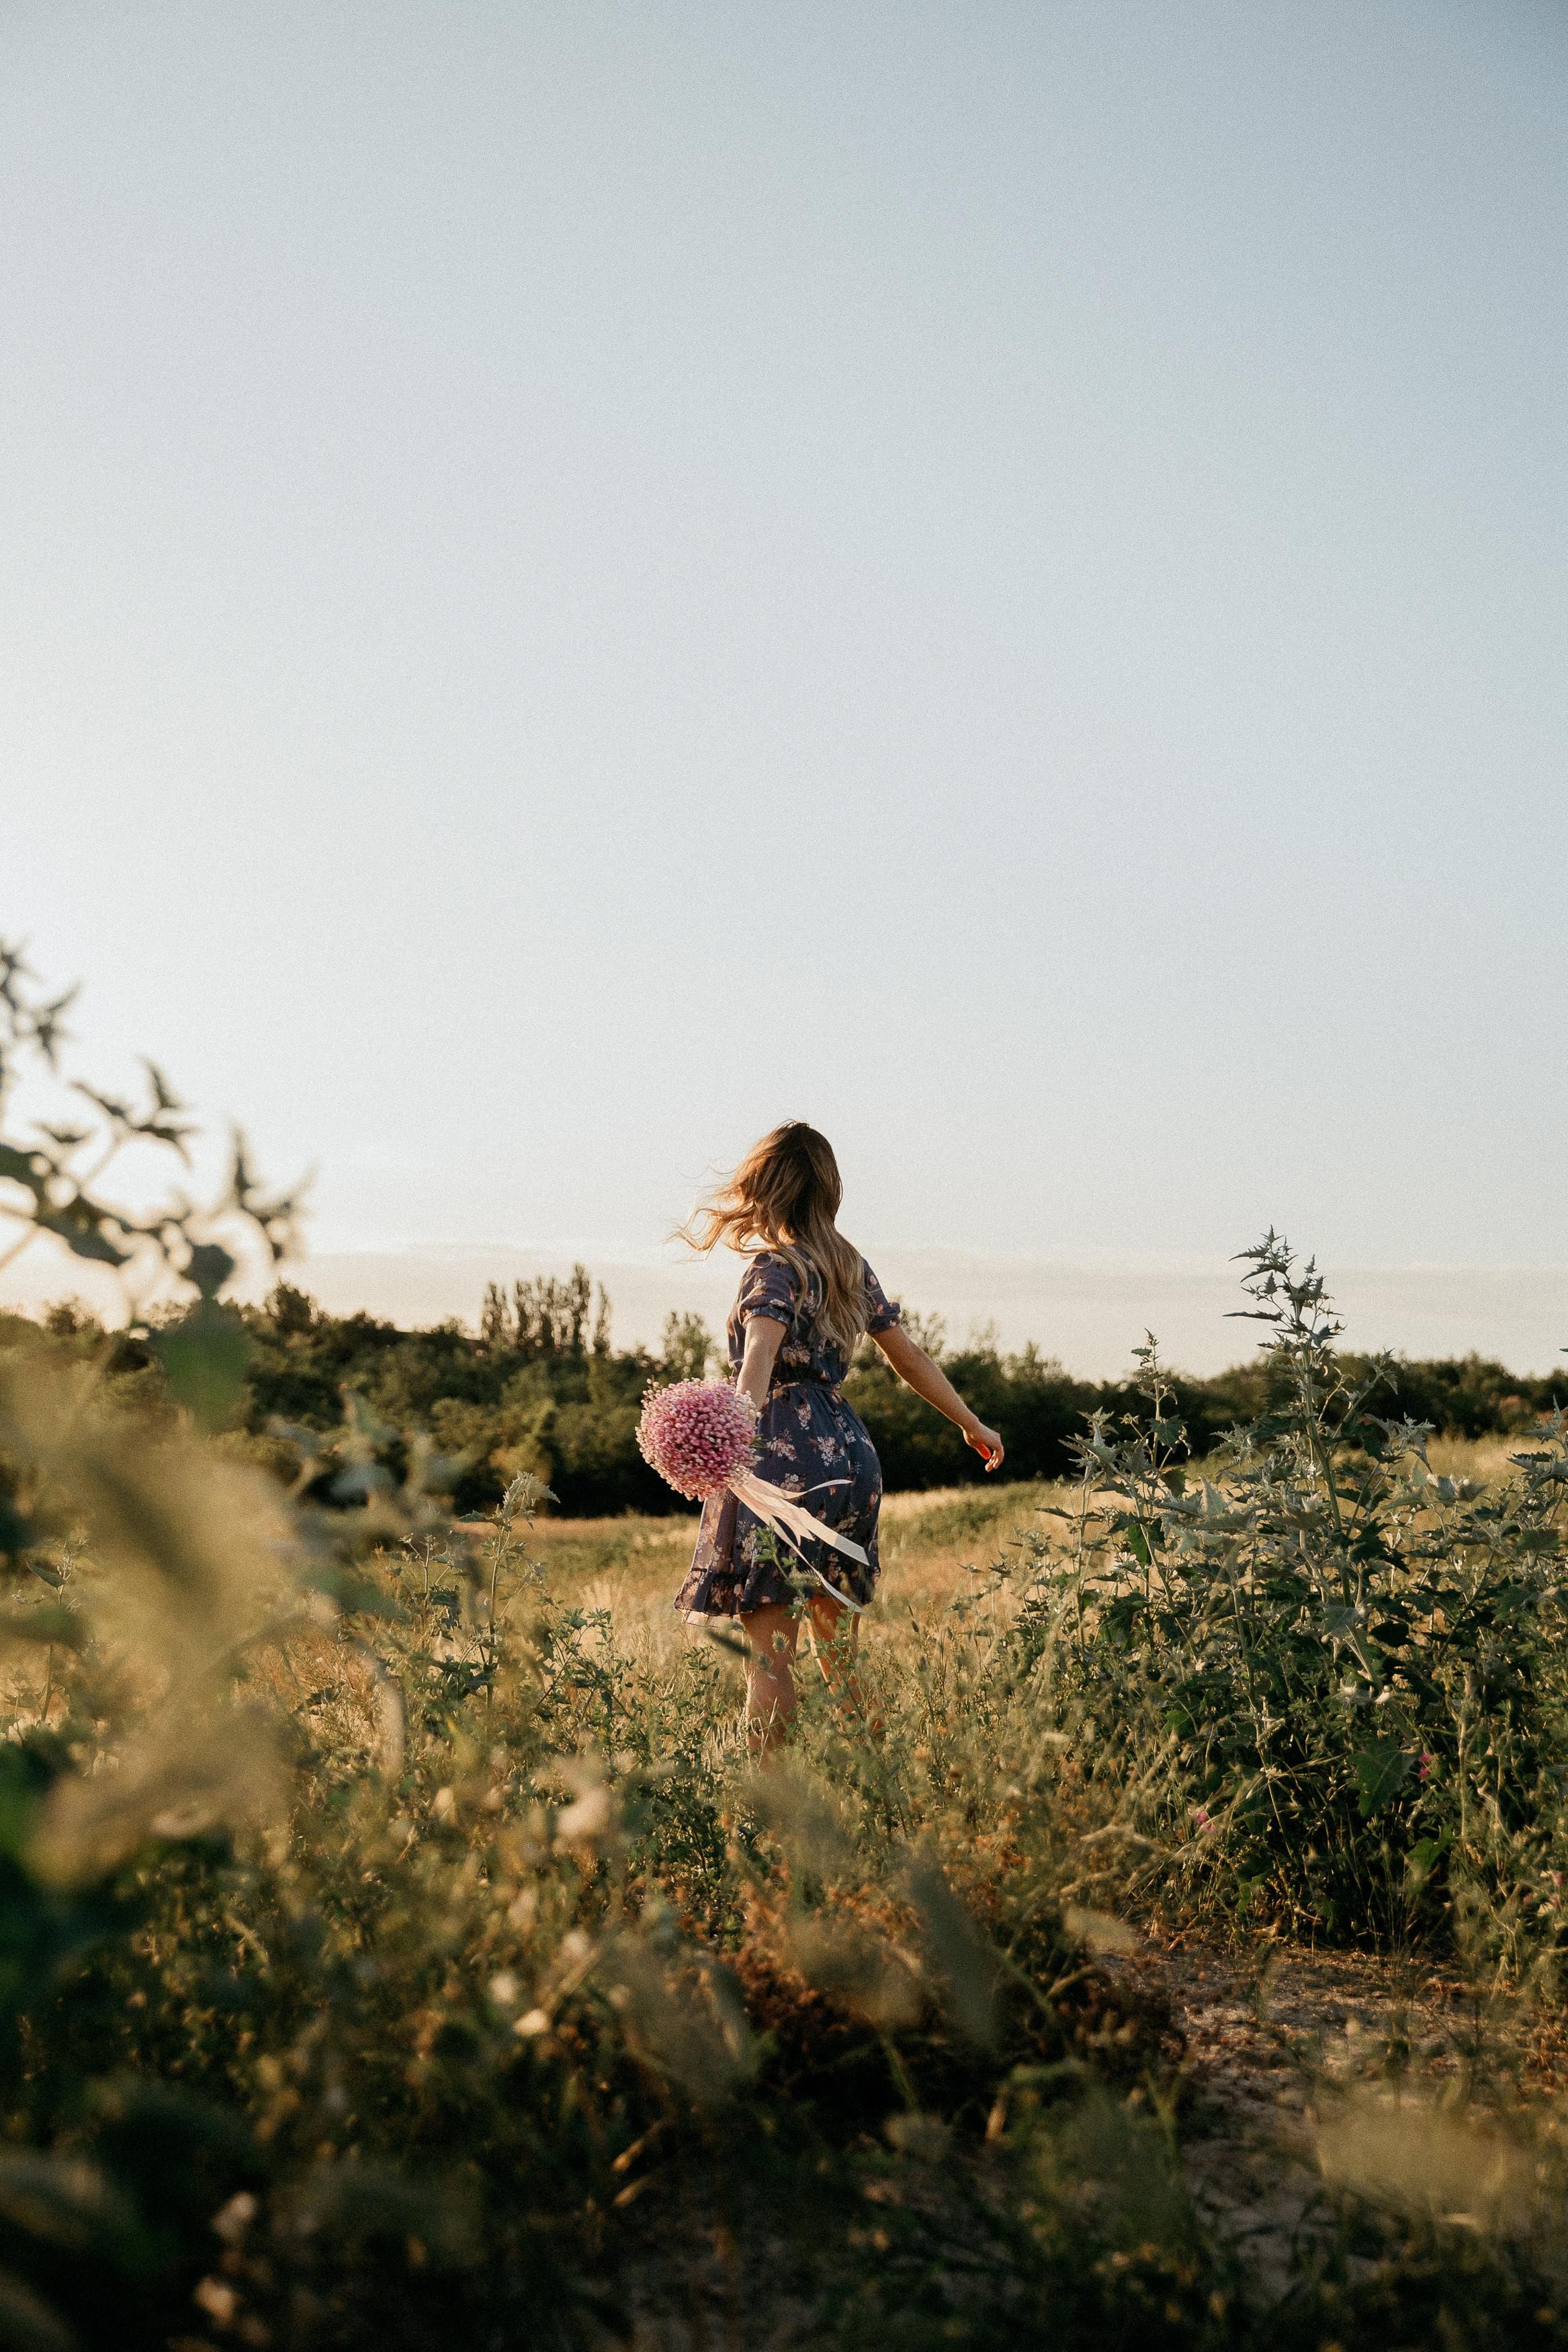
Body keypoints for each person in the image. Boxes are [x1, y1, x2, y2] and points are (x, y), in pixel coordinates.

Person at [673, 1120, 1004, 1754]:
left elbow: (758, 1361)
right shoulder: (849, 1267)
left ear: (763, 1187)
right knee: (840, 1660)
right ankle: (876, 1784)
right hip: (851, 1460)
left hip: (783, 1464)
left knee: (770, 1662)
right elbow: (910, 1358)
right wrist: (973, 1424)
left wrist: (726, 1440)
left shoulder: (774, 1269)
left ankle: (771, 1804)